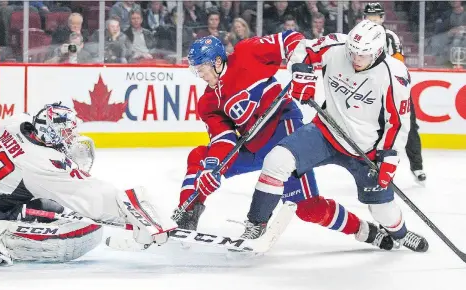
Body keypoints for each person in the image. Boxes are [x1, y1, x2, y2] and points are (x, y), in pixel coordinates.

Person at [173, 34, 395, 251]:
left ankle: (367, 232)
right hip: (255, 146)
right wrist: (213, 168)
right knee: (200, 157)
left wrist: (301, 70)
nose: (199, 74)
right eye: (196, 70)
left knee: (309, 209)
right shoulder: (207, 102)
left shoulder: (247, 53)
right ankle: (188, 211)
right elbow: (224, 138)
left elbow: (291, 40)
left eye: (201, 68)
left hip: (284, 132)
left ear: (218, 61)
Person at [253, 20, 429, 252]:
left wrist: (389, 159)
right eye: (353, 53)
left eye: (362, 56)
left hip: (366, 150)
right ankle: (256, 224)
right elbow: (303, 50)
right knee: (276, 160)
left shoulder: (394, 75)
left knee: (383, 212)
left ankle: (401, 234)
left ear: (377, 52)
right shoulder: (337, 45)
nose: (355, 59)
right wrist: (302, 74)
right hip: (325, 132)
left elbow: (397, 123)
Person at [0, 103, 174, 265]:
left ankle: (0, 218)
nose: (71, 137)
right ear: (49, 131)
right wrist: (127, 210)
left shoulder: (17, 123)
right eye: (66, 132)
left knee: (52, 207)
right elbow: (89, 194)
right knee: (50, 217)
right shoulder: (42, 163)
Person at [363, 2, 426, 184]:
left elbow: (398, 65)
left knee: (408, 127)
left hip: (395, 90)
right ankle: (373, 166)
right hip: (369, 92)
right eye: (370, 16)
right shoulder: (357, 37)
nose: (373, 20)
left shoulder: (390, 37)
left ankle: (417, 166)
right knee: (373, 130)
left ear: (382, 18)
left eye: (376, 17)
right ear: (364, 18)